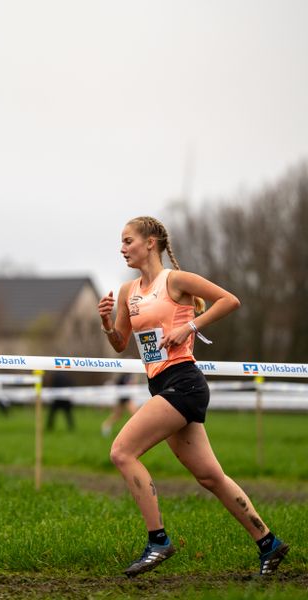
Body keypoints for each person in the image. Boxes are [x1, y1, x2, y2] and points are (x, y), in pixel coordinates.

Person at [98, 215, 289, 578]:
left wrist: (189, 325)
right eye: (121, 243)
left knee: (122, 451)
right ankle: (269, 543)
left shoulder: (176, 281)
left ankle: (158, 541)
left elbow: (229, 300)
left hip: (183, 383)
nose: (122, 249)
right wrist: (108, 323)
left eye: (128, 241)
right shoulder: (127, 292)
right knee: (209, 477)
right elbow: (121, 344)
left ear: (150, 243)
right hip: (162, 386)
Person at [101, 372, 138, 436]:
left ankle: (106, 425)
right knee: (135, 414)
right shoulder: (124, 376)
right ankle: (106, 425)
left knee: (118, 416)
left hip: (125, 397)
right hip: (124, 398)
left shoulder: (128, 375)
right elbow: (124, 385)